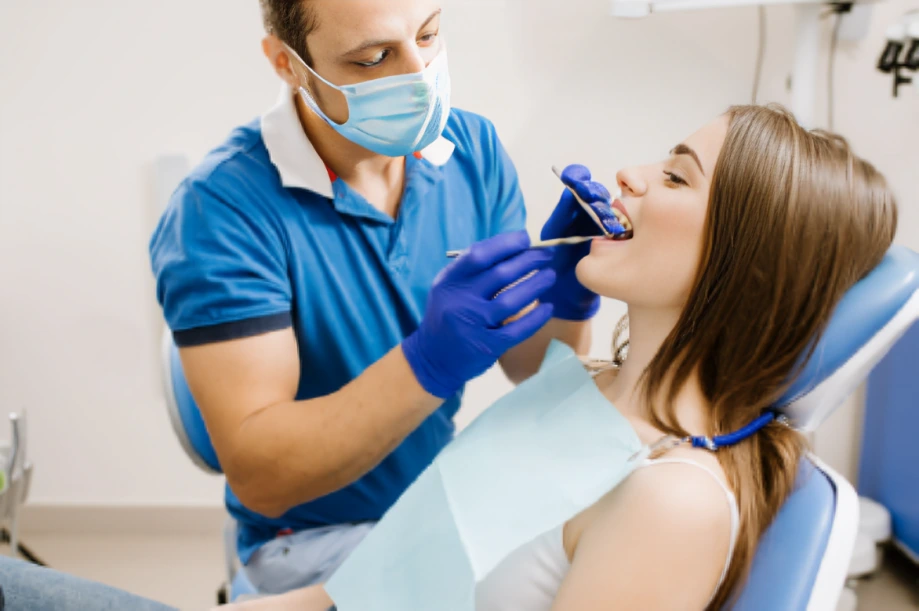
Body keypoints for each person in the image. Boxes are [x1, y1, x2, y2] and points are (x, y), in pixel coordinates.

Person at [215, 104, 898, 610]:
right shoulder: (587, 387)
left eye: (675, 178)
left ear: (748, 269)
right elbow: (367, 589)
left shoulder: (671, 498)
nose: (626, 176)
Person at [148, 0, 603, 594]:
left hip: (439, 499)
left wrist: (567, 298)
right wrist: (429, 363)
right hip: (309, 542)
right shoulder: (222, 210)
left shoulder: (472, 150)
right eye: (373, 57)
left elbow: (528, 365)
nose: (417, 73)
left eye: (429, 34)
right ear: (288, 64)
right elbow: (263, 478)